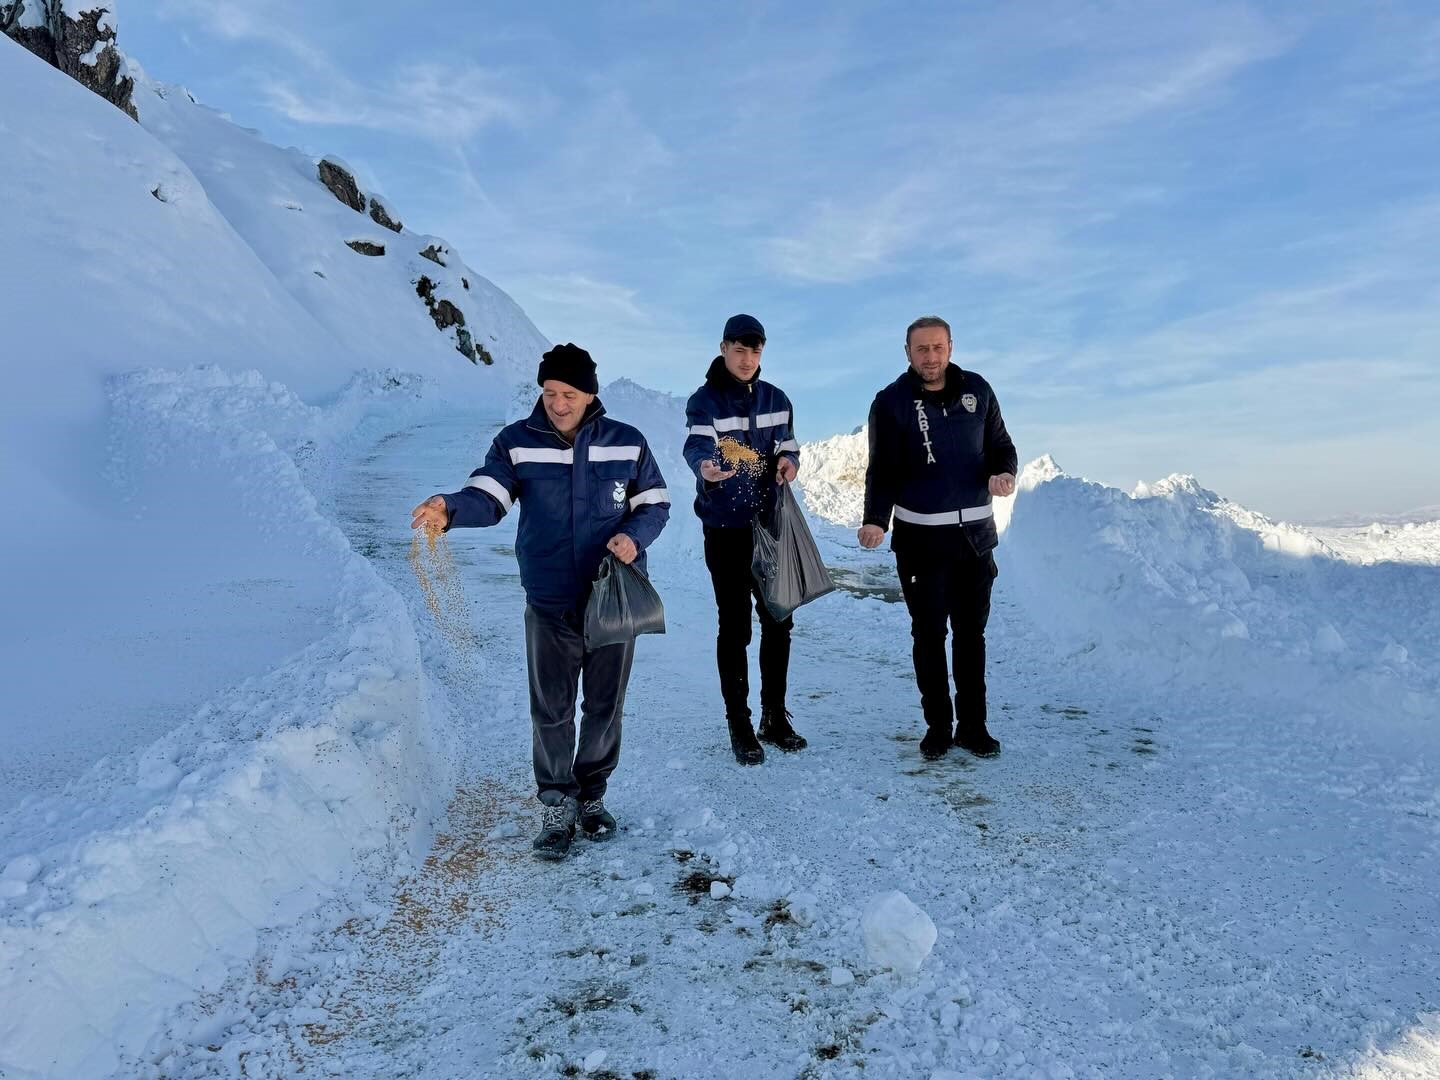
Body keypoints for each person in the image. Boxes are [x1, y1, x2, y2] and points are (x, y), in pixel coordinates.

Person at [411, 344, 670, 859]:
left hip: (612, 598)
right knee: (551, 709)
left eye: (568, 393)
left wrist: (634, 537)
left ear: (590, 394)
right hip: (550, 598)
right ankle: (556, 804)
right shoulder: (517, 442)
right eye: (550, 392)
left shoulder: (627, 442)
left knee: (605, 706)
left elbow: (655, 503)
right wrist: (450, 508)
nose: (557, 403)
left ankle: (591, 797)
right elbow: (489, 496)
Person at [858, 316, 1017, 761]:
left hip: (975, 540)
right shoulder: (890, 402)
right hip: (921, 544)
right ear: (908, 352)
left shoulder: (978, 391)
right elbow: (882, 469)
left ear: (950, 347)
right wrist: (876, 520)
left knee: (971, 636)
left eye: (938, 347)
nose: (931, 357)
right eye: (922, 349)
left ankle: (973, 728)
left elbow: (1001, 446)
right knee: (928, 636)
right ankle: (938, 728)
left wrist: (1003, 472)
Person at [683, 313, 806, 765]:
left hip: (769, 525)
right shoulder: (705, 402)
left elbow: (787, 444)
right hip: (725, 530)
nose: (747, 358)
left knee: (779, 620)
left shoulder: (777, 399)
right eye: (739, 350)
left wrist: (789, 462)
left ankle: (774, 716)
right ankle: (740, 722)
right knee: (735, 627)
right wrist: (706, 468)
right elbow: (697, 445)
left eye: (755, 351)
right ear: (724, 349)